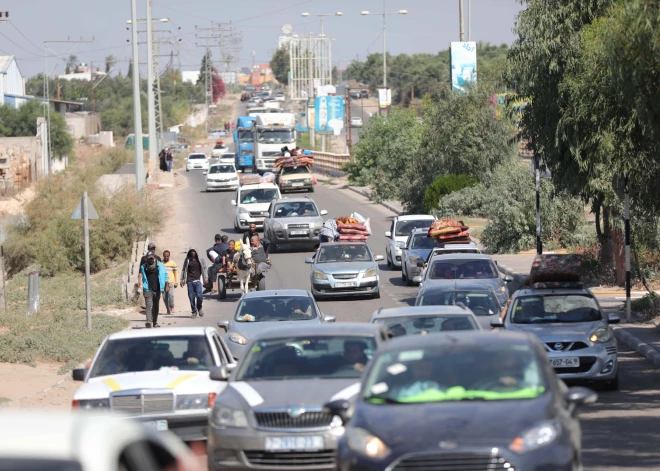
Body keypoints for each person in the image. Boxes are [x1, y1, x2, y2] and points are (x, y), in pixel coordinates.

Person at [140, 253, 168, 328]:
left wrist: (166, 284)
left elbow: (165, 274)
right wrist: (143, 288)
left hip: (158, 289)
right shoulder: (144, 267)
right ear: (147, 259)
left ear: (154, 258)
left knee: (156, 306)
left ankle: (155, 322)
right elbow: (143, 278)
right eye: (149, 258)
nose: (151, 260)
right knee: (148, 305)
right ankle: (149, 322)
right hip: (148, 289)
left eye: (152, 258)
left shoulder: (160, 265)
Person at [180, 247, 208, 318]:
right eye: (191, 251)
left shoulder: (200, 259)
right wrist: (182, 280)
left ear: (196, 252)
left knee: (199, 296)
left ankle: (199, 307)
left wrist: (206, 278)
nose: (193, 253)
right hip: (190, 281)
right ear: (189, 252)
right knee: (191, 297)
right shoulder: (187, 260)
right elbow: (183, 270)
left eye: (194, 251)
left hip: (198, 281)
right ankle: (194, 312)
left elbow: (204, 268)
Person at [162, 250, 178, 315]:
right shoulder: (161, 263)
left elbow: (175, 273)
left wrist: (176, 282)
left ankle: (171, 307)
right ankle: (167, 309)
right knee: (164, 297)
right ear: (163, 256)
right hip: (163, 283)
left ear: (169, 256)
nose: (166, 257)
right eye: (165, 256)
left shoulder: (173, 263)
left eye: (167, 256)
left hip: (171, 282)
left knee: (171, 295)